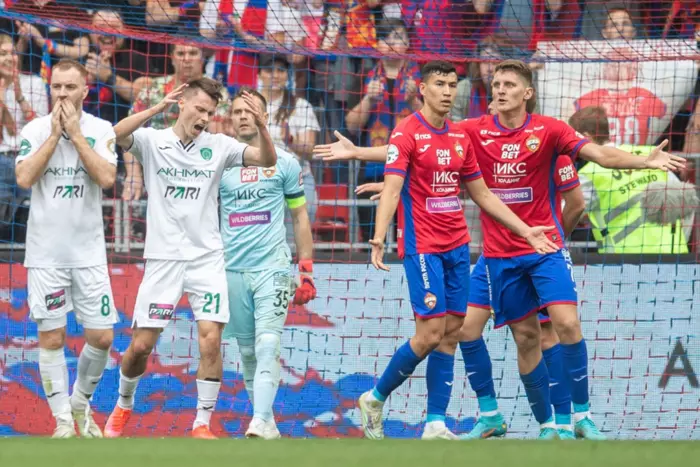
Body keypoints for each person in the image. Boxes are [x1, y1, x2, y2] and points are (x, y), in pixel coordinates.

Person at [313, 60, 684, 440]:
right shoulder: (472, 131)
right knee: (503, 334)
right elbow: (418, 148)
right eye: (496, 84)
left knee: (563, 326)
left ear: (528, 93)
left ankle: (579, 417)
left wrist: (643, 161)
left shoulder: (550, 131)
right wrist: (363, 156)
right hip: (496, 255)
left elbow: (601, 158)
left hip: (541, 248)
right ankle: (515, 420)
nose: (500, 90)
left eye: (509, 84)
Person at [356, 60, 559, 441]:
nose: (448, 91)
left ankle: (435, 422)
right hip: (423, 247)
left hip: (457, 246)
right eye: (440, 84)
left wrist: (525, 230)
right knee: (430, 333)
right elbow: (393, 188)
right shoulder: (407, 132)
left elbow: (483, 195)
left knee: (451, 332)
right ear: (423, 89)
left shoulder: (459, 137)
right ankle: (375, 397)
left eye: (452, 84)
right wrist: (379, 237)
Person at [103, 77, 277, 439]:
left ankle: (201, 423)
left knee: (210, 339)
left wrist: (262, 127)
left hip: (206, 258)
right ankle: (123, 403)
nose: (204, 118)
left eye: (210, 113)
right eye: (199, 109)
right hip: (163, 259)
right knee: (141, 346)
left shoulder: (220, 146)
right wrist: (155, 109)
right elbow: (114, 135)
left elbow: (265, 159)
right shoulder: (153, 141)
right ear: (182, 103)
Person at [14, 59, 118, 438]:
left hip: (89, 253)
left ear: (84, 91)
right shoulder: (35, 129)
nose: (62, 94)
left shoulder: (101, 129)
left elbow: (106, 177)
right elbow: (24, 177)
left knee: (102, 338)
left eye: (70, 87)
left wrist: (75, 135)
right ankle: (62, 421)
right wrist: (55, 135)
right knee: (52, 338)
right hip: (46, 254)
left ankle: (79, 402)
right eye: (56, 87)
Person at [220, 87, 317, 439]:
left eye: (250, 110)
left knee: (267, 344)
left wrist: (305, 271)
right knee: (247, 351)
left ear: (266, 116)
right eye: (237, 111)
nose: (243, 116)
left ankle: (259, 420)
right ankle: (268, 422)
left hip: (272, 267)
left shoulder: (285, 162)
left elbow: (300, 217)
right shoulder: (220, 162)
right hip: (231, 270)